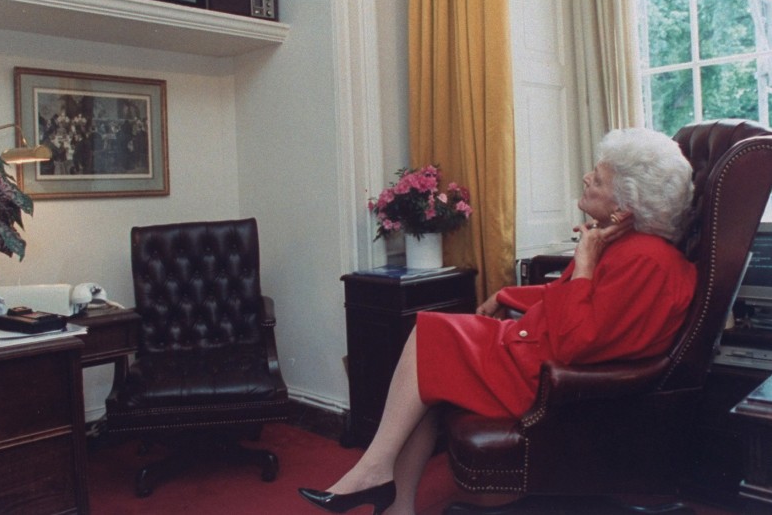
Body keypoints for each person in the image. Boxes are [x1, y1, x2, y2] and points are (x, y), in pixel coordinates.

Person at [299, 128, 698, 515]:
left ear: (624, 207)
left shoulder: (646, 261)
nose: (586, 177)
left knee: (429, 339)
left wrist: (585, 262)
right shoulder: (625, 244)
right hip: (542, 357)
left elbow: (577, 343)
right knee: (430, 345)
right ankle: (394, 500)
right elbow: (566, 304)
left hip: (554, 381)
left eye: (599, 176)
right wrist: (505, 295)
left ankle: (375, 471)